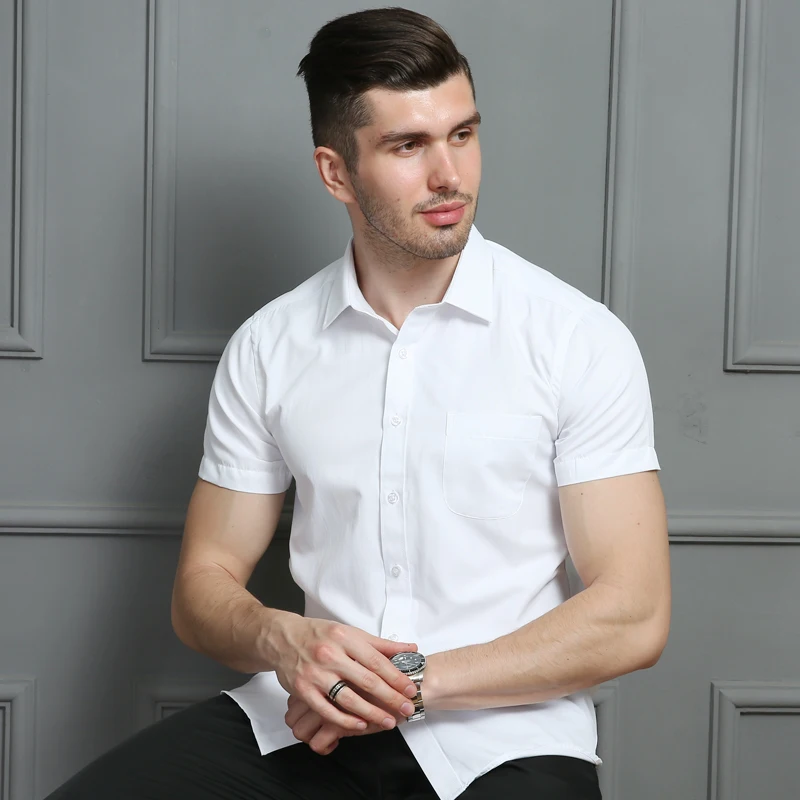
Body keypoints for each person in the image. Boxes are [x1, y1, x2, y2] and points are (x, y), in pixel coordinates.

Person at [45, 6, 670, 800]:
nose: (450, 175)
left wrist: (406, 682)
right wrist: (285, 640)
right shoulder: (270, 346)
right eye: (408, 146)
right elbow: (202, 587)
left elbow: (634, 613)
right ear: (335, 172)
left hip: (504, 738)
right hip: (306, 722)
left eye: (463, 135)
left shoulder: (576, 338)